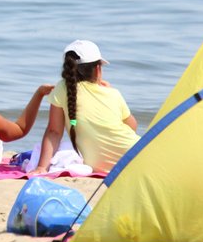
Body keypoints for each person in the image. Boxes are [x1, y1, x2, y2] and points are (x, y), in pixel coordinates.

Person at [29, 40, 139, 174]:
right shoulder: (113, 94)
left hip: (106, 167)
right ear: (98, 69)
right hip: (137, 155)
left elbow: (54, 132)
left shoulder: (62, 88)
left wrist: (41, 168)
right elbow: (132, 127)